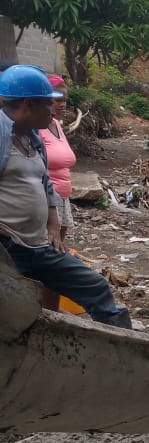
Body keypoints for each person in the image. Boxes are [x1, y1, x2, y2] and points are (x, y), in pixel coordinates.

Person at [0, 65, 132, 328]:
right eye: (48, 104)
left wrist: (52, 225)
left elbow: (45, 182)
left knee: (94, 286)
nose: (53, 110)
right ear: (28, 104)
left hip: (39, 246)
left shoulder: (32, 137)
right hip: (7, 249)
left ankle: (127, 350)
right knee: (13, 318)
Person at [38, 75, 78, 311]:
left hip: (63, 200)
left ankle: (51, 308)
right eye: (57, 100)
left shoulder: (57, 125)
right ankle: (44, 309)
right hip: (46, 200)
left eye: (65, 100)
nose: (62, 105)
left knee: (56, 257)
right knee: (47, 257)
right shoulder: (37, 129)